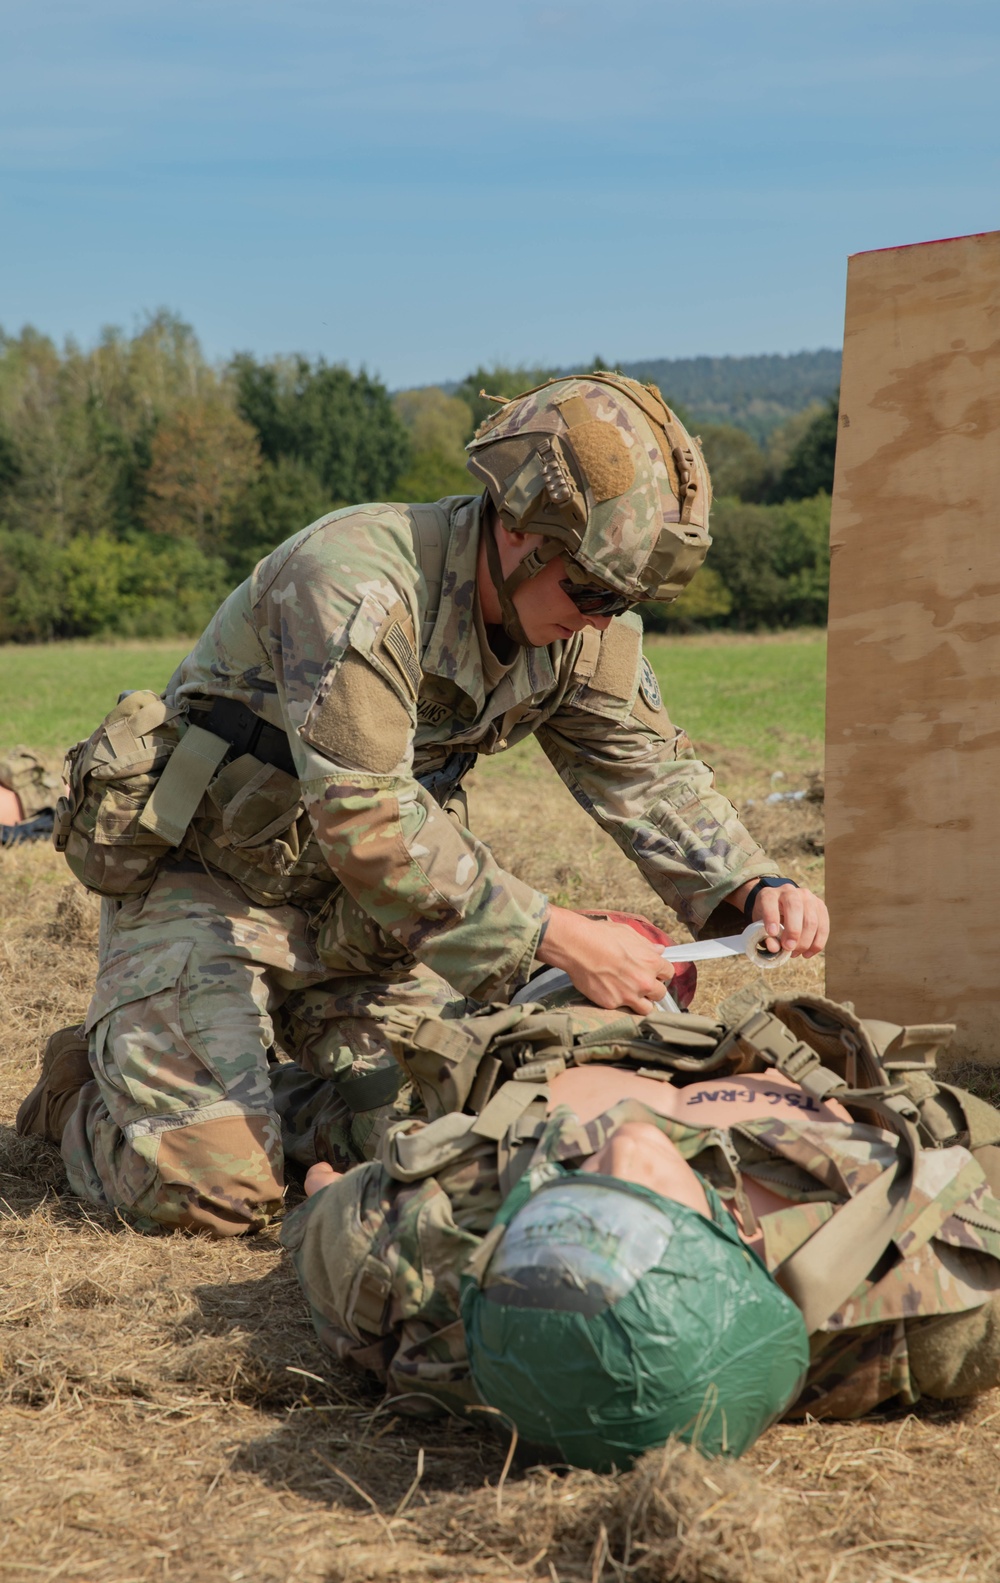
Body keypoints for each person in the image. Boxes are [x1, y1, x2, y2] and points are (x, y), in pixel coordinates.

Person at [17, 372, 828, 1236]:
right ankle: (84, 1092)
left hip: (362, 923)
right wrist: (559, 936)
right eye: (593, 593)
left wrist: (749, 884)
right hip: (208, 886)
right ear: (520, 529)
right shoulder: (358, 583)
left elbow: (646, 772)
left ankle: (246, 1093)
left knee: (447, 1137)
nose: (602, 621)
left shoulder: (582, 625)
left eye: (625, 603)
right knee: (210, 1193)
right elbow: (367, 822)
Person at [283, 993, 1000, 1469]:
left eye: (571, 1224)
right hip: (781, 1067)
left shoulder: (419, 1269)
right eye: (640, 1225)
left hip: (553, 1041)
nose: (621, 1150)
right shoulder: (923, 1291)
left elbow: (332, 1199)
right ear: (731, 1285)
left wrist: (328, 1195)